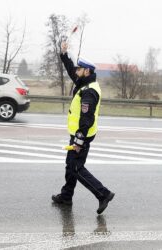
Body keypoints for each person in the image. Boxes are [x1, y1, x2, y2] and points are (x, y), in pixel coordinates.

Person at [52, 41, 115, 214]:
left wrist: (79, 140)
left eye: (79, 69)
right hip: (77, 134)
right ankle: (66, 196)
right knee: (70, 165)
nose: (76, 72)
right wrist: (64, 54)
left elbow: (86, 119)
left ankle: (103, 194)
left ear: (86, 71)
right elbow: (70, 69)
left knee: (76, 167)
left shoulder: (89, 91)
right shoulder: (83, 83)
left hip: (83, 135)